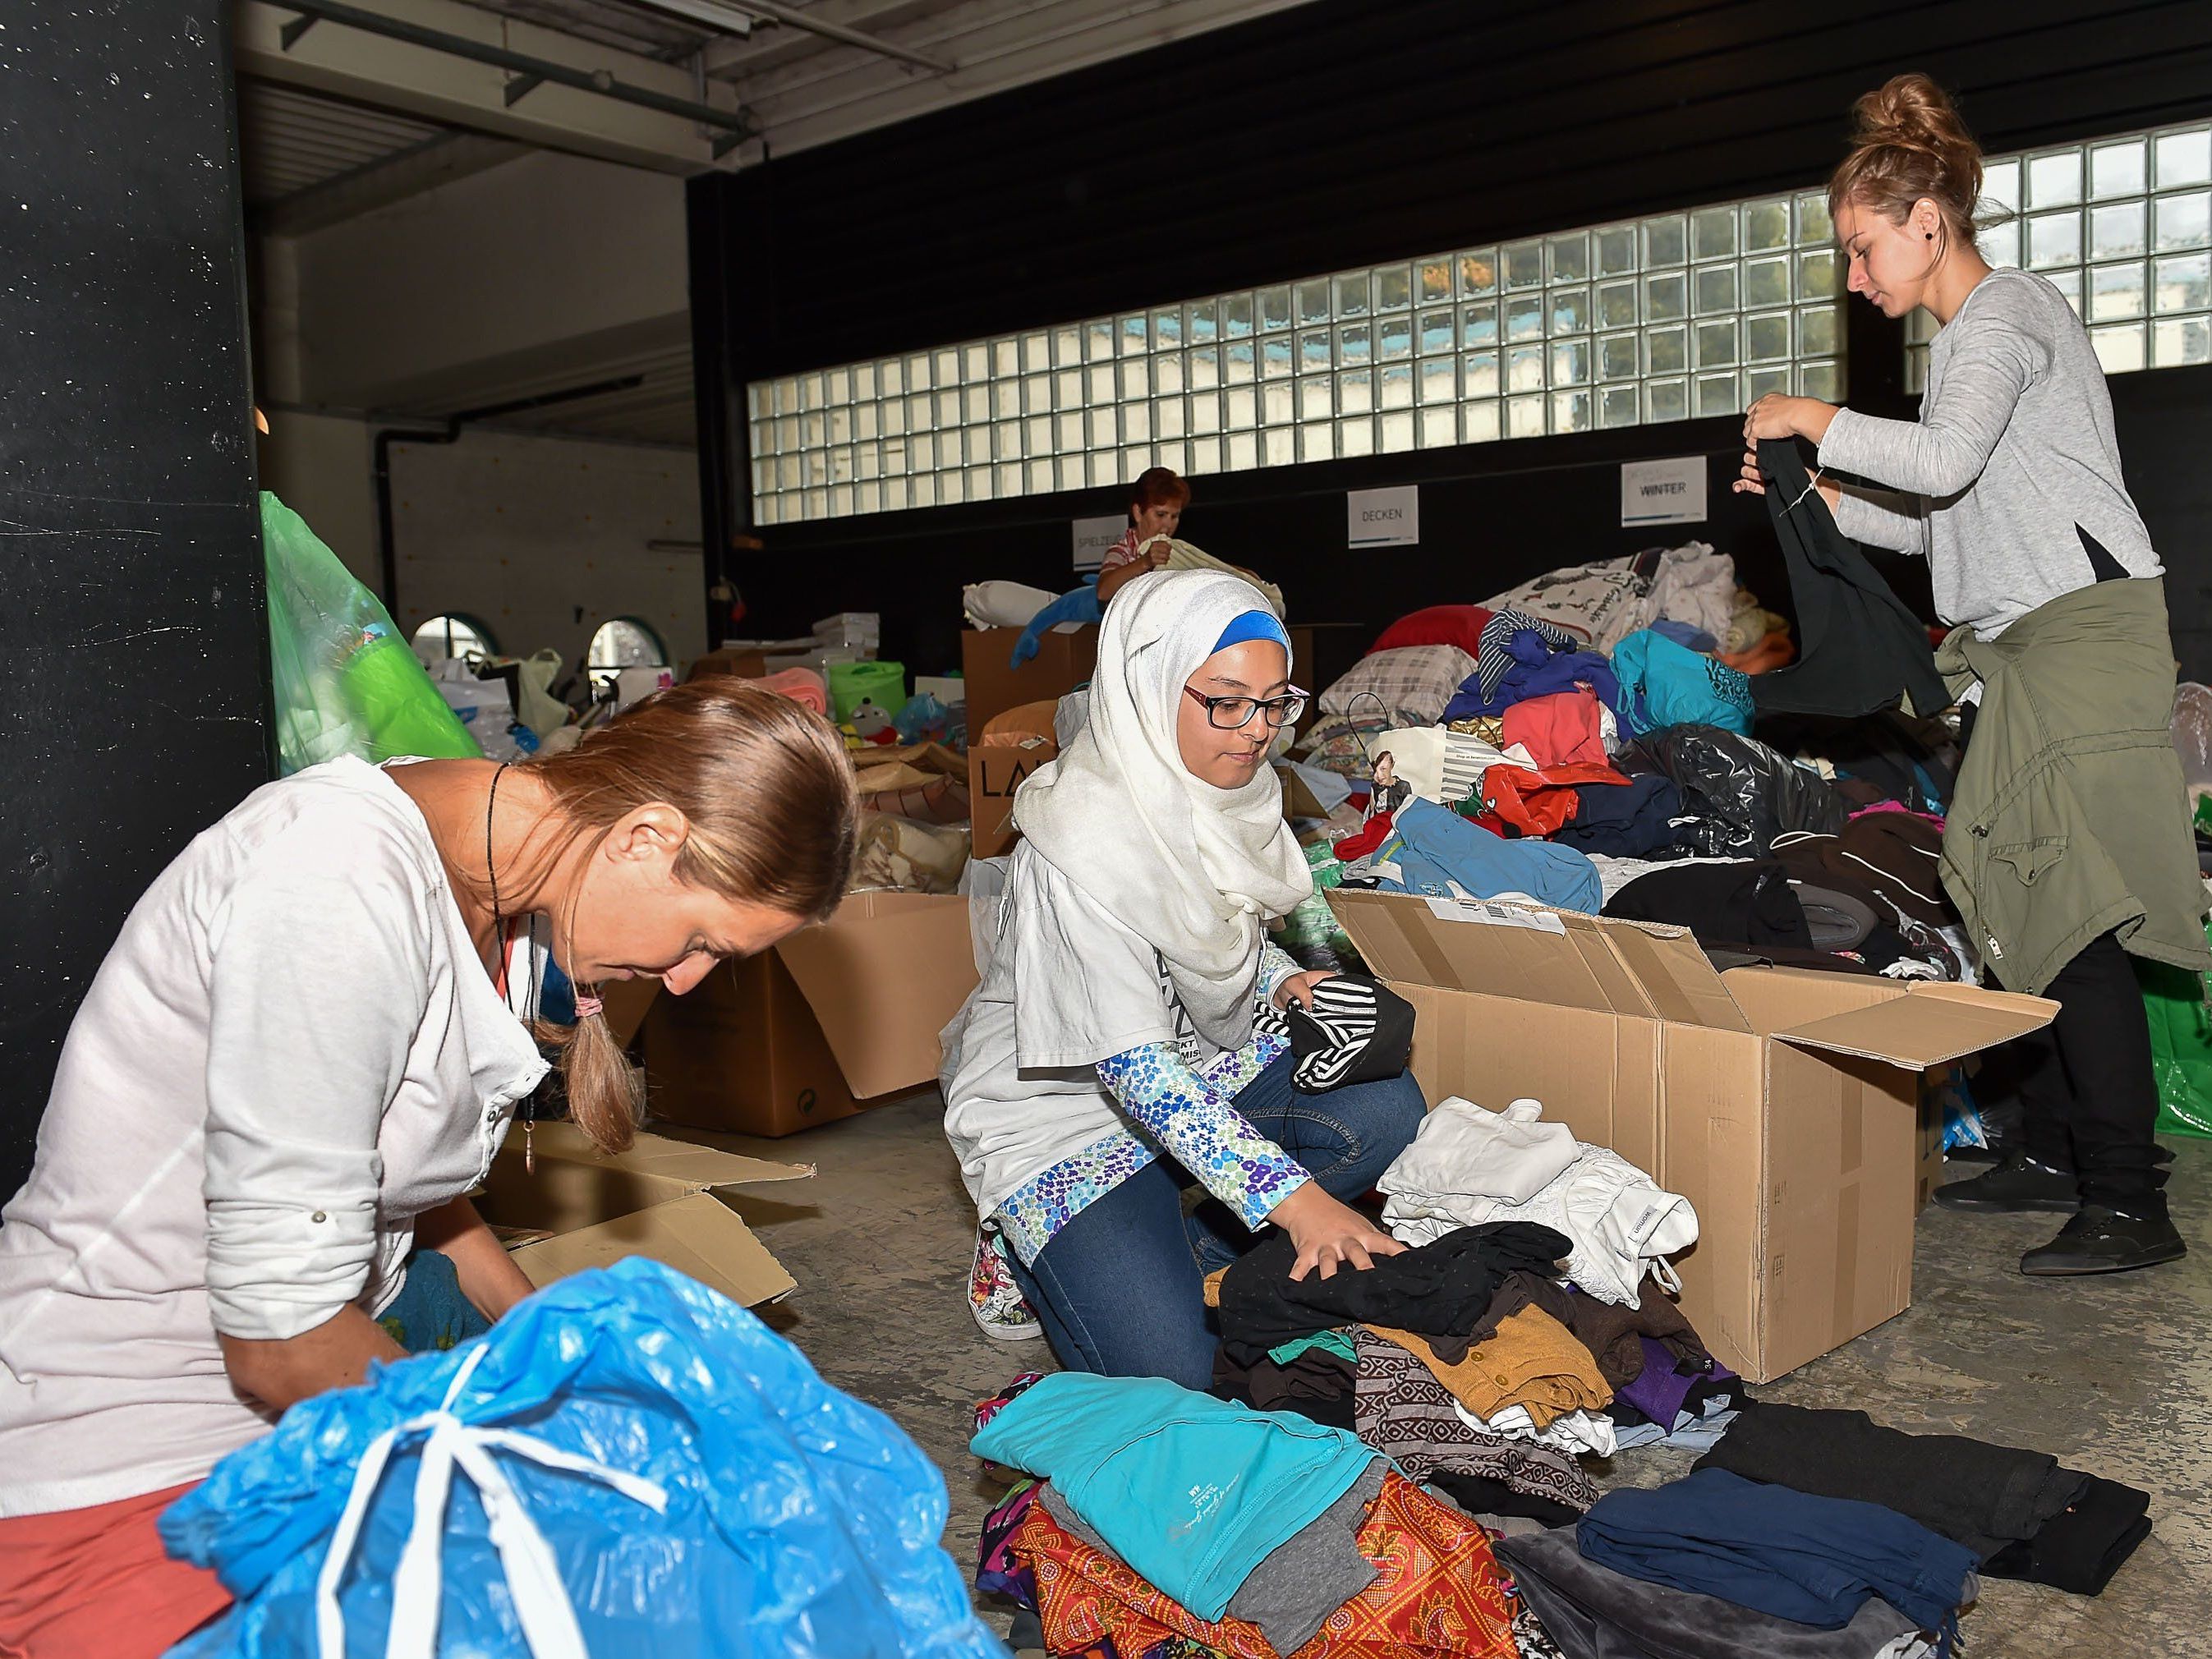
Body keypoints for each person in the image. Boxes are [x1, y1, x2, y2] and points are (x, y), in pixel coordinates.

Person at [0, 680, 859, 1657]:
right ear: (644, 836)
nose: (684, 978)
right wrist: (509, 1460)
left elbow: (400, 1168)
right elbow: (280, 1339)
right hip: (116, 1456)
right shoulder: (337, 882)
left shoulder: (504, 877)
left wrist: (540, 1334)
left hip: (274, 1429)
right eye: (703, 939)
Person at [1735, 72, 2206, 1275]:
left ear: (1926, 224)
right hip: (2031, 641)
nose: (1852, 278)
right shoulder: (1966, 352)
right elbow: (1940, 517)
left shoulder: (2006, 315)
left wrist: (1809, 417)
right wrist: (1823, 497)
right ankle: (2051, 1148)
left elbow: (1939, 464)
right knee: (2004, 890)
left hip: (2083, 642)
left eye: (1858, 250)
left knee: (2076, 914)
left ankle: (2126, 1200)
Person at [940, 568, 1427, 1388]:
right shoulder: (1077, 844)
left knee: (1383, 1109)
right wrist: (1298, 1205)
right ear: (1147, 685)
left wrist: (1279, 981)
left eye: (1275, 704)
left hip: (1187, 1056)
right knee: (1175, 1379)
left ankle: (1176, 1244)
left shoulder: (1225, 794)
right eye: (1227, 701)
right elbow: (1135, 1076)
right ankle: (1022, 1254)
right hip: (1065, 1113)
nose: (1255, 731)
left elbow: (1205, 922)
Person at [1093, 466, 1189, 604]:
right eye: (1160, 514)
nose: (1168, 525)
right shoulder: (1122, 551)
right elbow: (1103, 592)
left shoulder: (1177, 552)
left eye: (1174, 516)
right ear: (1138, 512)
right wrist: (1144, 562)